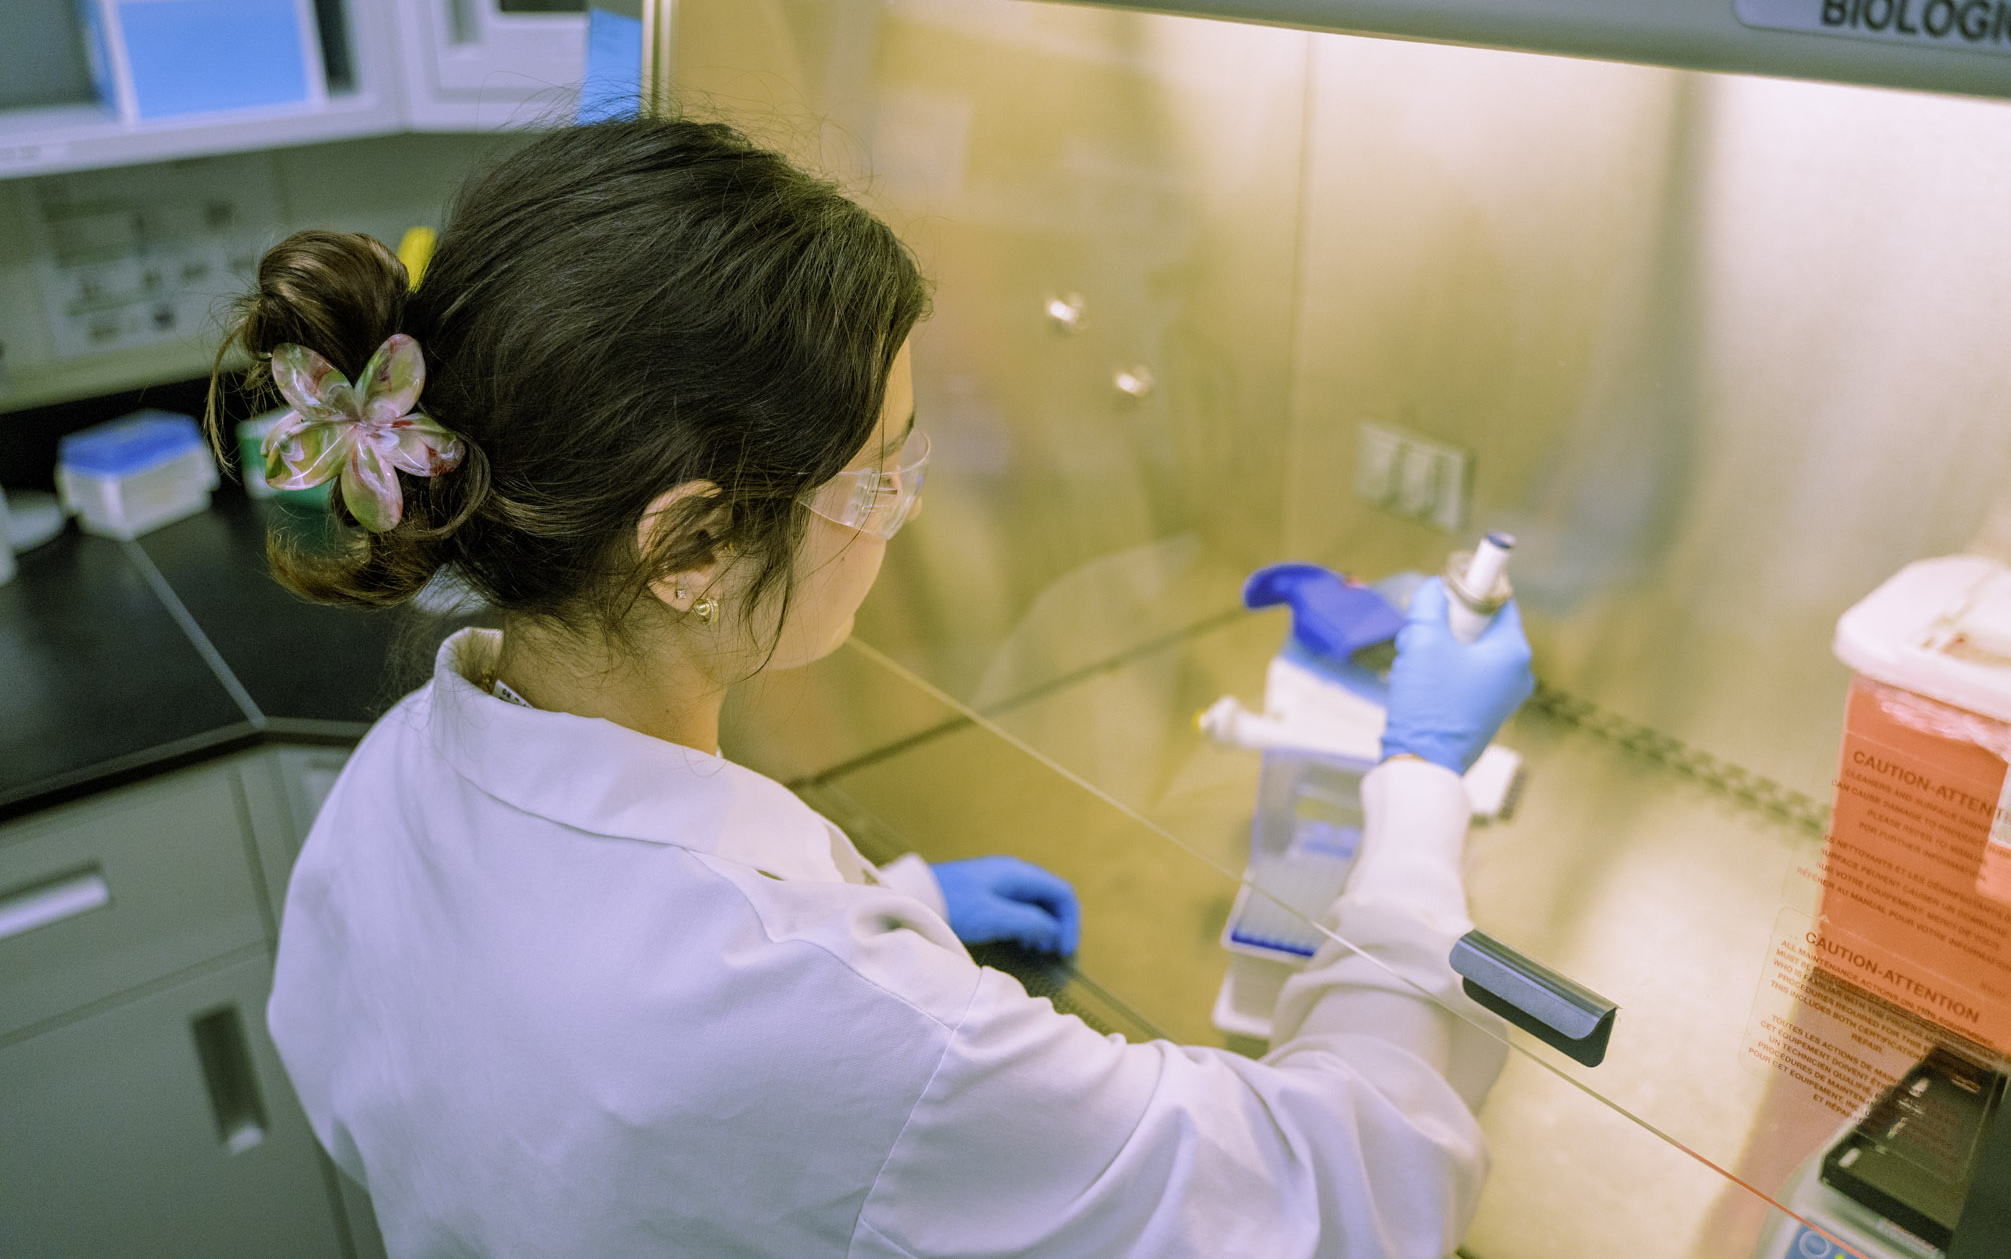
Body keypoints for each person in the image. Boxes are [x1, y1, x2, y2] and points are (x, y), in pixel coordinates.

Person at [234, 118, 1535, 1259]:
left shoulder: (402, 772)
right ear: (691, 548)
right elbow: (1335, 1193)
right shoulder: (821, 1022)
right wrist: (1418, 794)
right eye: (877, 476)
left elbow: (543, 1044)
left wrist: (889, 912)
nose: (901, 512)